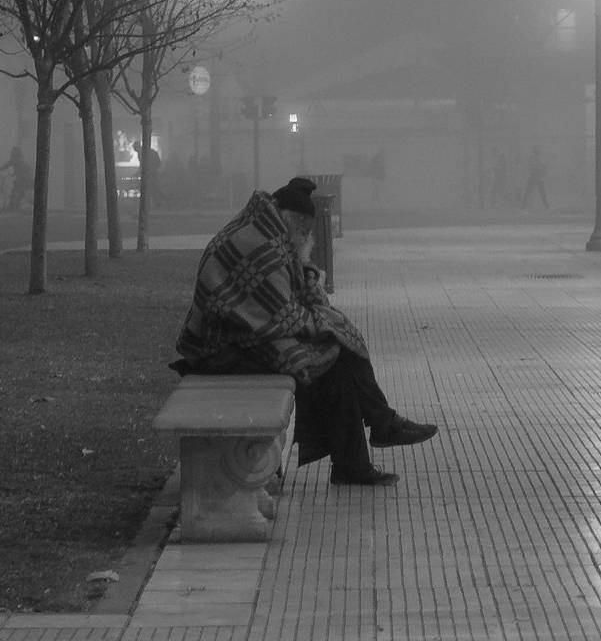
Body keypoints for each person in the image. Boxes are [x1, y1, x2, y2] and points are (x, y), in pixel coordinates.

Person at [172, 176, 438, 487]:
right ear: (293, 221)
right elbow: (277, 311)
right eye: (305, 231)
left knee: (335, 352)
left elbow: (290, 291)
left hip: (241, 340)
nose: (307, 237)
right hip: (219, 351)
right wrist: (319, 321)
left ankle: (367, 446)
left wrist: (314, 298)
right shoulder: (258, 243)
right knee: (332, 354)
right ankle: (372, 439)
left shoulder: (267, 231)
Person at [0, 145, 33, 211]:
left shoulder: (16, 159)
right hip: (24, 178)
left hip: (23, 179)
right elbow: (23, 168)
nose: (12, 153)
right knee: (16, 191)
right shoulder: (20, 159)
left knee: (16, 191)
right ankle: (14, 205)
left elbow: (8, 165)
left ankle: (13, 206)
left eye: (13, 152)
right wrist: (14, 173)